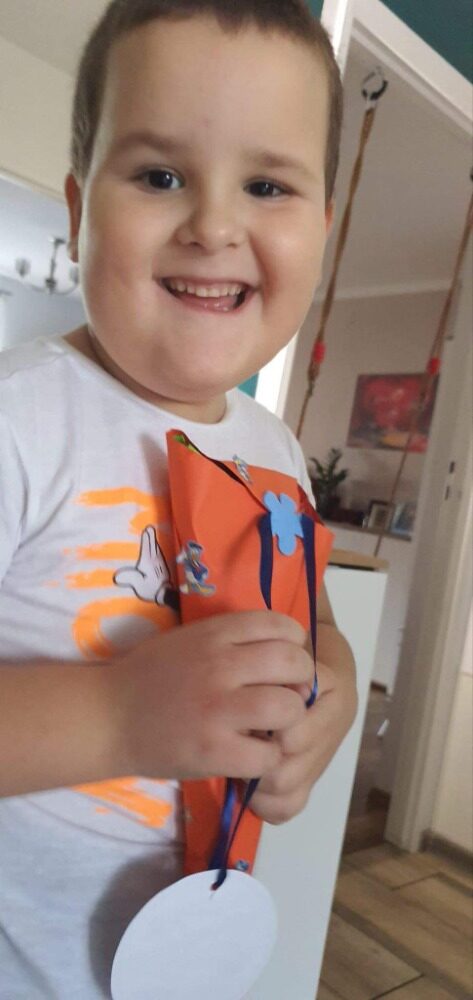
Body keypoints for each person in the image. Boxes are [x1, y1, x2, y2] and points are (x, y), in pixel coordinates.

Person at [0, 1, 358, 995]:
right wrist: (117, 714)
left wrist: (330, 691)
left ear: (320, 230)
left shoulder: (273, 449)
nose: (213, 225)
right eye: (160, 176)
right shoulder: (21, 420)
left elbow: (315, 622)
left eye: (266, 185)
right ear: (79, 211)